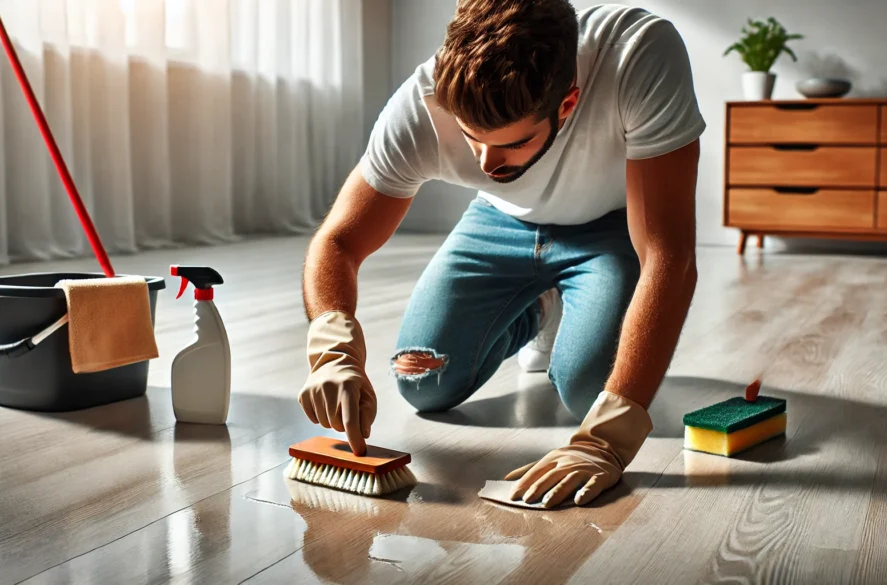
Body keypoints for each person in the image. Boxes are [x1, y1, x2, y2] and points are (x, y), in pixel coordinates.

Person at [298, 0, 704, 509]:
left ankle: (569, 302)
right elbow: (338, 241)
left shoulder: (637, 52)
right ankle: (538, 307)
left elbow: (669, 254)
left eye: (512, 144)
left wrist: (609, 439)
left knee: (589, 394)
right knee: (423, 381)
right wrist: (332, 345)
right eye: (471, 138)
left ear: (568, 103)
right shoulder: (423, 104)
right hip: (500, 223)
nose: (488, 162)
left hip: (608, 229)